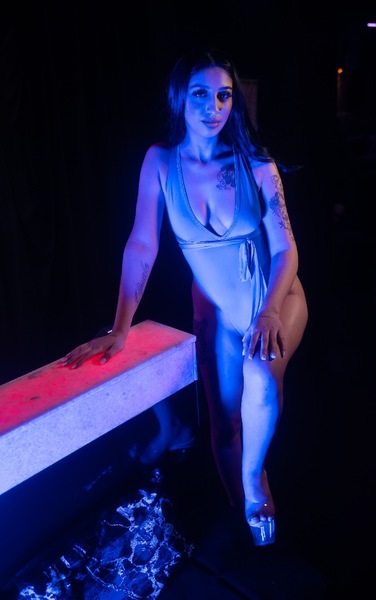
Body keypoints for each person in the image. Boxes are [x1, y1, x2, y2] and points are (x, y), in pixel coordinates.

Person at [61, 47, 308, 546]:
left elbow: (286, 249)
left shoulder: (256, 165)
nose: (213, 108)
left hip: (274, 301)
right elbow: (142, 244)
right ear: (180, 98)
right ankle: (239, 513)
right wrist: (120, 327)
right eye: (200, 94)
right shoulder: (160, 162)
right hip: (216, 311)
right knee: (223, 423)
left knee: (261, 376)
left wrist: (267, 313)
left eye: (224, 96)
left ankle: (255, 479)